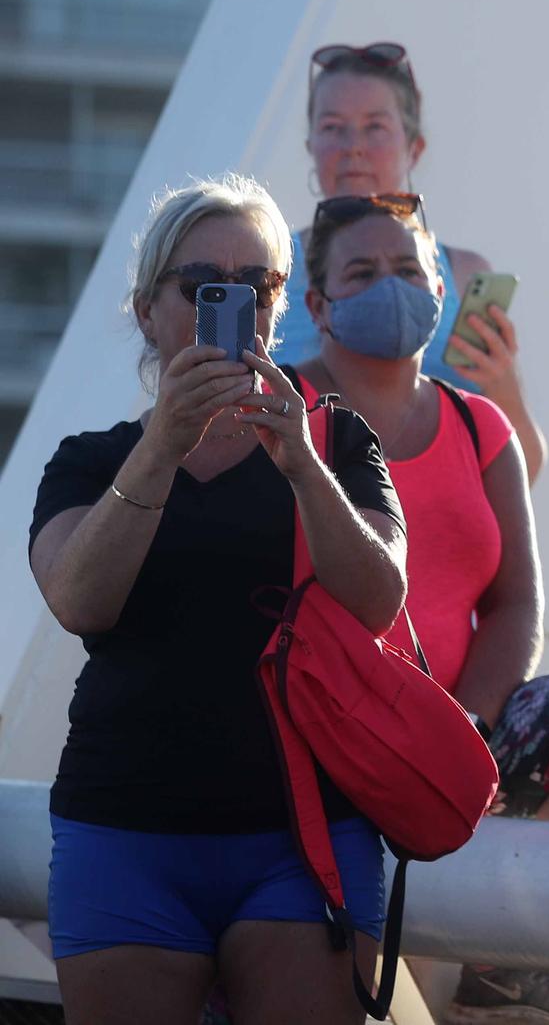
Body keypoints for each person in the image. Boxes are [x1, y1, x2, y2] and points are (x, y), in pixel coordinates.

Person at [288, 192, 549, 1025]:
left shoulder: (480, 425)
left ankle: (500, 957)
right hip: (328, 729)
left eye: (408, 269)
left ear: (439, 290)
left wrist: (465, 724)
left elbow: (516, 604)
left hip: (465, 723)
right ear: (317, 303)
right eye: (362, 272)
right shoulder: (285, 419)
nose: (390, 286)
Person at [29, 175, 406, 1025]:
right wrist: (163, 444)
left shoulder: (337, 441)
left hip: (305, 832)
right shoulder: (89, 460)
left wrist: (301, 462)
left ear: (278, 306)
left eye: (256, 285)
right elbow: (80, 600)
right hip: (126, 828)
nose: (230, 305)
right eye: (202, 287)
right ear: (147, 310)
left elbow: (379, 599)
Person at [273, 42, 549, 482]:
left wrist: (502, 385)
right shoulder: (268, 268)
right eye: (333, 127)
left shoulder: (463, 272)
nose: (353, 147)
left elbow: (525, 468)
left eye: (375, 127)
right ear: (311, 145)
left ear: (414, 147)